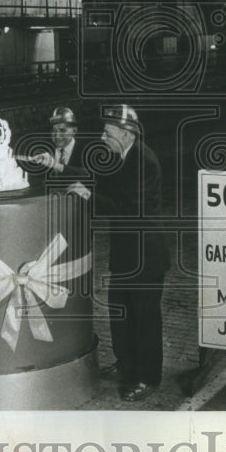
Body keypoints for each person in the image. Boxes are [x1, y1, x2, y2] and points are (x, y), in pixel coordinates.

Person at [92, 105, 170, 402]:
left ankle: (147, 377)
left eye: (107, 133)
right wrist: (59, 168)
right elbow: (98, 183)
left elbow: (129, 209)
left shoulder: (144, 161)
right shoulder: (121, 158)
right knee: (121, 312)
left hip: (146, 254)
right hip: (127, 253)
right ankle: (126, 365)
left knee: (144, 318)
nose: (102, 137)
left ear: (126, 134)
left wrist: (91, 197)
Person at [32, 106, 89, 179]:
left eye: (62, 130)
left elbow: (89, 175)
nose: (57, 135)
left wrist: (56, 165)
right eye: (54, 131)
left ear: (74, 131)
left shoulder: (85, 151)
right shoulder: (45, 152)